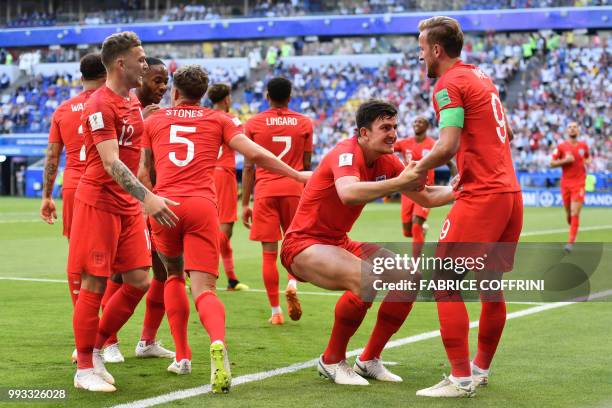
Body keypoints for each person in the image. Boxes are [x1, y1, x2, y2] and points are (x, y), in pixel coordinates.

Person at [139, 65, 310, 392]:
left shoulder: (155, 119)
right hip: (202, 206)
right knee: (205, 289)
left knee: (173, 276)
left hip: (165, 205)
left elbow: (142, 168)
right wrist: (297, 174)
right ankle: (217, 343)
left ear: (175, 91)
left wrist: (150, 198)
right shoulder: (219, 119)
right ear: (202, 94)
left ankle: (182, 356)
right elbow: (255, 154)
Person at [281, 99, 453, 385]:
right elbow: (348, 193)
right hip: (302, 244)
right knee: (367, 279)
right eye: (385, 127)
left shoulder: (387, 160)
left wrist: (462, 188)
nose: (393, 133)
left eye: (395, 127)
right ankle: (331, 360)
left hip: (338, 242)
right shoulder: (345, 152)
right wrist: (399, 183)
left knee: (409, 277)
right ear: (363, 133)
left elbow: (426, 196)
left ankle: (369, 359)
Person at [410, 16, 523, 397]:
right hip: (510, 193)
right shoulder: (480, 76)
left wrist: (417, 167)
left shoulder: (449, 83)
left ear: (436, 50)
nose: (420, 54)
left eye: (422, 47)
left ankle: (460, 378)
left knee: (444, 282)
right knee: (490, 286)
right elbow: (506, 131)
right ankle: (479, 369)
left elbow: (448, 144)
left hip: (484, 196)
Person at [69, 31, 178, 392]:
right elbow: (112, 162)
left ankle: (96, 346)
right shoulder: (99, 104)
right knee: (95, 283)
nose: (145, 64)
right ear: (121, 63)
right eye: (141, 58)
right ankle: (84, 367)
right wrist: (148, 197)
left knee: (140, 280)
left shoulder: (131, 101)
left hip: (127, 205)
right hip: (99, 201)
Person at [100, 56, 174, 364]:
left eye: (165, 83)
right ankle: (108, 342)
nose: (162, 88)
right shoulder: (123, 107)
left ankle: (147, 340)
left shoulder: (156, 115)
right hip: (128, 203)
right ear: (140, 77)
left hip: (155, 202)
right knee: (120, 275)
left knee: (162, 272)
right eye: (157, 81)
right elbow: (113, 157)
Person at [39, 53, 106, 363]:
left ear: (80, 76)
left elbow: (53, 156)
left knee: (79, 260)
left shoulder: (64, 109)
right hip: (106, 184)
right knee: (115, 262)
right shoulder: (114, 102)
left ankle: (86, 333)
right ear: (106, 74)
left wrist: (46, 196)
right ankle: (109, 337)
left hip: (74, 186)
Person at [242, 77, 312, 325]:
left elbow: (249, 167)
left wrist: (245, 203)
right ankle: (292, 283)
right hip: (294, 190)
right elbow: (306, 165)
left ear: (267, 96)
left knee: (269, 253)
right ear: (290, 96)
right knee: (296, 246)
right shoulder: (304, 123)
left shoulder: (253, 123)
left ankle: (276, 312)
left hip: (265, 191)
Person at [394, 116, 456, 258]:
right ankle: (422, 231)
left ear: (427, 126)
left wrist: (456, 178)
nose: (416, 124)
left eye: (420, 122)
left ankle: (415, 265)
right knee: (407, 231)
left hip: (426, 189)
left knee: (416, 224)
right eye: (415, 122)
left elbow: (451, 164)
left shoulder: (433, 144)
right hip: (408, 191)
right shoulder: (404, 143)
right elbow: (387, 149)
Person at [207, 83, 248, 291]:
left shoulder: (205, 116)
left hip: (206, 174)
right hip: (223, 174)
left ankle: (231, 279)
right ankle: (197, 269)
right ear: (226, 99)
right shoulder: (230, 119)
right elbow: (239, 144)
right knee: (225, 228)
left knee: (212, 226)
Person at [550, 121, 590, 252]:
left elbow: (588, 158)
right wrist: (565, 161)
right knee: (568, 213)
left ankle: (570, 242)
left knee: (574, 211)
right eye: (570, 127)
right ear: (567, 131)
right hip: (565, 184)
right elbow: (551, 163)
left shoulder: (584, 146)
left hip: (579, 183)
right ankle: (572, 223)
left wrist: (586, 161)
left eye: (575, 127)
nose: (572, 129)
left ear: (578, 130)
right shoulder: (561, 147)